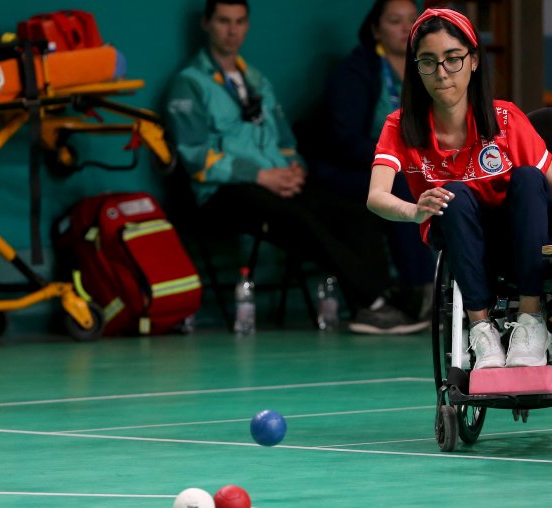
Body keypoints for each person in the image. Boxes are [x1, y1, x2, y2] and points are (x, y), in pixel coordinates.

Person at [165, 0, 428, 334]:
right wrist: (262, 176)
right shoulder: (189, 83)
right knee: (301, 220)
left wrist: (293, 169)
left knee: (356, 213)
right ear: (206, 24)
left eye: (240, 21)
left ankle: (384, 300)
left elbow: (286, 140)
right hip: (224, 192)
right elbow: (195, 157)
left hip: (279, 182)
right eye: (223, 21)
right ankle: (372, 303)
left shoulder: (256, 79)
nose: (232, 30)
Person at [366, 8, 552, 368]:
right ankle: (482, 330)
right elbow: (376, 197)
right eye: (428, 62)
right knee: (455, 193)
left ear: (474, 61)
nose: (442, 73)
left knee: (529, 177)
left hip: (521, 240)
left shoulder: (506, 119)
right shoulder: (400, 125)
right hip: (460, 237)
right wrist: (415, 210)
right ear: (416, 67)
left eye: (453, 59)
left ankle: (530, 321)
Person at [313, 0, 435, 322]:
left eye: (413, 20)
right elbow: (345, 140)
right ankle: (417, 290)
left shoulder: (427, 69)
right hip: (351, 170)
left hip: (414, 165)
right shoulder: (355, 71)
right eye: (396, 21)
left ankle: (465, 289)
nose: (407, 29)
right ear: (375, 29)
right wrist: (398, 162)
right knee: (405, 186)